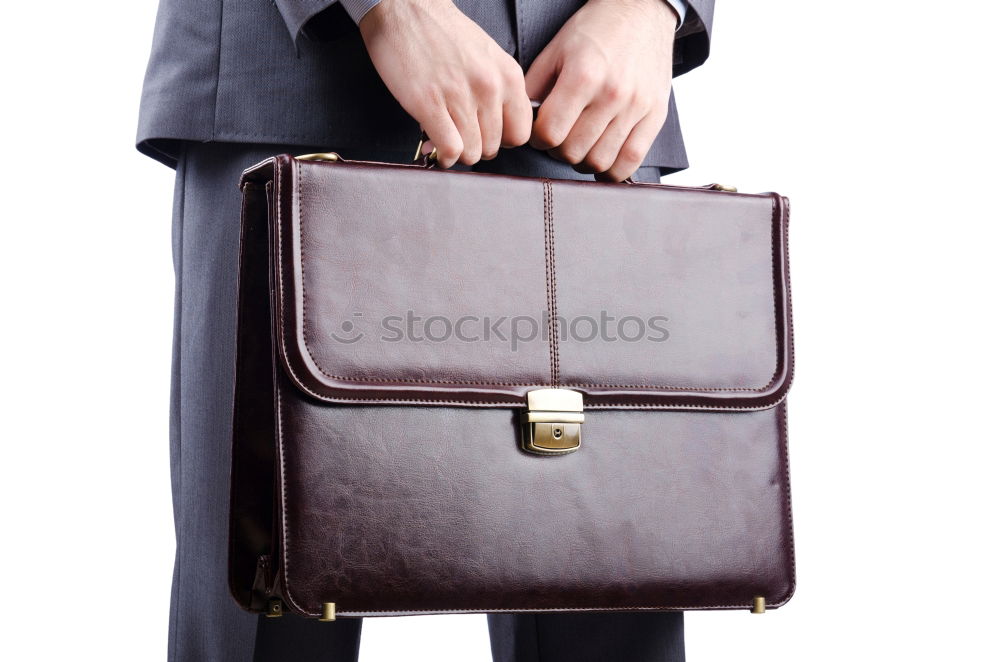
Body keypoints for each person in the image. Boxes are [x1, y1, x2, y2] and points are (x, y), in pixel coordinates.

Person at [137, 0, 714, 660]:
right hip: (300, 66)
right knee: (273, 592)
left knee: (615, 599)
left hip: (589, 91)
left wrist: (651, 9)